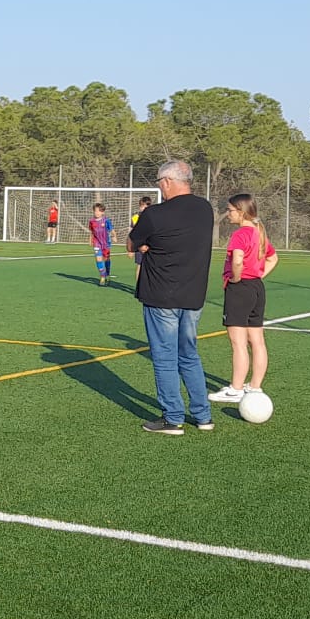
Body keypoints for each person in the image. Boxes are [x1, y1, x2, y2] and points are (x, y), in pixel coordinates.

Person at [126, 161, 216, 434]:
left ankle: (173, 417)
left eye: (159, 182)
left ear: (167, 181)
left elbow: (132, 243)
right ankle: (203, 416)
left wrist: (146, 244)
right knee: (189, 355)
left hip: (161, 295)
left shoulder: (155, 214)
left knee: (165, 357)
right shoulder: (205, 208)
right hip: (193, 294)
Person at [211, 192, 278, 407]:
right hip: (257, 288)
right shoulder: (259, 232)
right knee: (257, 340)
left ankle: (236, 389)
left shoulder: (241, 234)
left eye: (230, 210)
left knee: (238, 342)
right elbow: (273, 258)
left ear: (241, 211)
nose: (228, 214)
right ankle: (255, 386)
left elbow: (237, 260)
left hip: (240, 289)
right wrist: (257, 276)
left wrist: (237, 278)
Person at [129, 194, 157, 295]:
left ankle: (151, 287)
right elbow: (131, 233)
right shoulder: (135, 218)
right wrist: (131, 249)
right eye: (142, 206)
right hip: (139, 247)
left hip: (150, 246)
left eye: (147, 206)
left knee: (152, 267)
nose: (144, 208)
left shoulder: (153, 217)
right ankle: (138, 288)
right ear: (140, 206)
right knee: (140, 266)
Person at [87, 201, 113, 286]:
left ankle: (107, 274)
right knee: (98, 259)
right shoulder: (91, 221)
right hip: (96, 242)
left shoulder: (106, 220)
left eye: (99, 211)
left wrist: (114, 236)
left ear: (103, 212)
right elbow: (91, 231)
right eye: (95, 211)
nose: (97, 213)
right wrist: (90, 239)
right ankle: (102, 276)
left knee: (106, 259)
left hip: (106, 243)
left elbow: (111, 230)